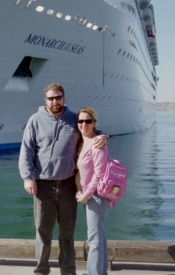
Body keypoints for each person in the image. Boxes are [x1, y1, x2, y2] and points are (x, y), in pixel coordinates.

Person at [19, 83, 107, 275]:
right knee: (43, 231)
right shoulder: (35, 120)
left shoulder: (73, 119)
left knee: (67, 233)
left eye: (58, 97)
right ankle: (41, 271)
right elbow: (26, 150)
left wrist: (104, 136)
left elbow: (90, 130)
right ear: (45, 100)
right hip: (43, 185)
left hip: (68, 185)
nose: (55, 101)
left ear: (64, 98)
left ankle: (68, 271)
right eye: (51, 98)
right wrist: (28, 177)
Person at [75, 107, 110, 275]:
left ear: (94, 123)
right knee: (99, 236)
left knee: (94, 239)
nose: (84, 124)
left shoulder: (96, 144)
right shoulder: (84, 143)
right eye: (80, 121)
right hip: (90, 195)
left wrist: (86, 195)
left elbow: (100, 174)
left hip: (96, 196)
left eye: (88, 121)